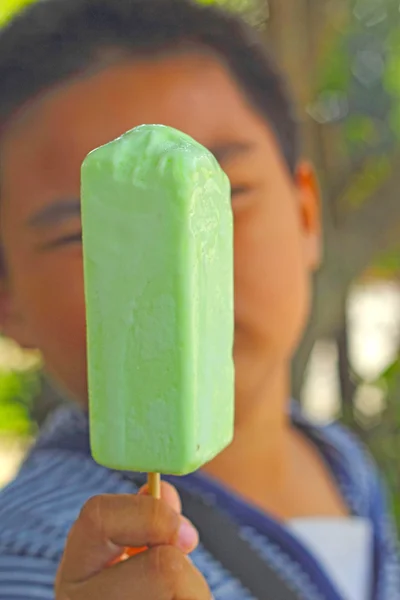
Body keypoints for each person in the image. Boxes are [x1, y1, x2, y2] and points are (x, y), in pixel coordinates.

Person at [0, 0, 398, 598]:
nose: (177, 256)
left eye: (226, 193)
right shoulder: (32, 558)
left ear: (307, 216)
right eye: (85, 231)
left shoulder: (337, 457)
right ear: (7, 302)